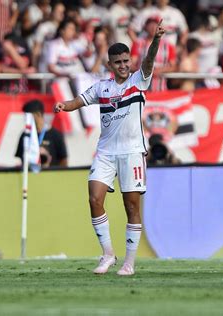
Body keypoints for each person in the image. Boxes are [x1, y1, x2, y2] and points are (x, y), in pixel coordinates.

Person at [53, 20, 165, 276]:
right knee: (94, 199)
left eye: (126, 61)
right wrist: (63, 105)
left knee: (131, 207)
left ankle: (129, 262)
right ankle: (108, 254)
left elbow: (148, 61)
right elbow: (79, 102)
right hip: (105, 152)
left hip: (133, 152)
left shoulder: (139, 80)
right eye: (118, 62)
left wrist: (156, 40)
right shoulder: (101, 88)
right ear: (110, 65)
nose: (124, 66)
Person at [15, 99, 68, 168]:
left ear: (38, 114)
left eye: (28, 116)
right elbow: (21, 159)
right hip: (31, 176)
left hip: (50, 176)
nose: (26, 119)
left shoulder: (55, 135)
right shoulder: (25, 135)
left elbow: (63, 160)